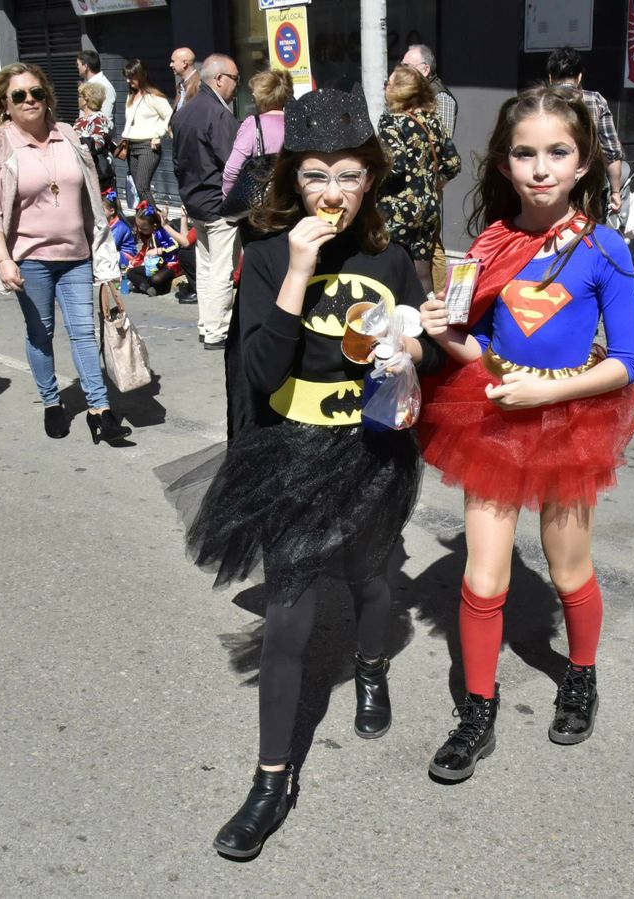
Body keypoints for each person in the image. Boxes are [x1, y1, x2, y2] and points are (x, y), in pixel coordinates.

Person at [173, 88, 442, 859]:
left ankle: (368, 668)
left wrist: (410, 344)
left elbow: (418, 333)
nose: (334, 193)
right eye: (318, 175)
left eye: (350, 176)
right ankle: (270, 779)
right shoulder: (265, 255)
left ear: (371, 179)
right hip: (292, 453)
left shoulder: (390, 256)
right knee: (287, 617)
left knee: (370, 578)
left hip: (372, 450)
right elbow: (258, 371)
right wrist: (295, 265)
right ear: (294, 179)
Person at [417, 84, 634, 782]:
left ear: (583, 163)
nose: (540, 168)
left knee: (569, 568)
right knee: (483, 579)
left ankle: (580, 674)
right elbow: (474, 341)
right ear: (505, 163)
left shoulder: (604, 249)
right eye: (524, 153)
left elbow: (627, 362)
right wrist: (444, 335)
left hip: (570, 420)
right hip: (491, 418)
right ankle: (476, 710)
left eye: (557, 152)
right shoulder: (488, 243)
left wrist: (551, 389)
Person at [0, 62, 130, 447]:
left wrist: (104, 249)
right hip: (29, 259)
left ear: (47, 98)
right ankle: (51, 401)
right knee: (40, 333)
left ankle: (99, 411)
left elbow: (91, 194)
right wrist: (3, 258)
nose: (30, 100)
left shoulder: (69, 135)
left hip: (76, 255)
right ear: (5, 104)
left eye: (37, 93)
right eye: (19, 96)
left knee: (84, 334)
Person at [172, 53, 240, 349]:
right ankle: (216, 331)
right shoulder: (218, 114)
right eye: (235, 79)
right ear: (220, 79)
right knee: (221, 271)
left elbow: (177, 161)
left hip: (196, 201)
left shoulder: (185, 111)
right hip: (217, 205)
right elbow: (233, 162)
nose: (237, 86)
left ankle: (206, 324)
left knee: (207, 267)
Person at [377, 64, 459, 294]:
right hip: (429, 207)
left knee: (392, 269)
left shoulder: (392, 122)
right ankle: (426, 321)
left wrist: (373, 179)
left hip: (398, 209)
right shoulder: (432, 120)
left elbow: (395, 166)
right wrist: (436, 179)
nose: (386, 87)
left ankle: (397, 319)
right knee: (422, 272)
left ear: (400, 90)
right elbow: (453, 163)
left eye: (389, 83)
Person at [546, 47, 623, 216]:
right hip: (589, 186)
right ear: (580, 76)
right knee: (588, 236)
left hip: (548, 183)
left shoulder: (539, 101)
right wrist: (615, 192)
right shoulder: (596, 100)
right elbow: (612, 151)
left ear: (551, 77)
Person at [221, 67, 291, 232]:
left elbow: (232, 169)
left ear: (262, 97)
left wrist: (229, 200)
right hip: (288, 203)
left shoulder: (253, 124)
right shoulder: (295, 123)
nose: (251, 96)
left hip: (259, 209)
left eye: (254, 93)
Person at [117, 59, 172, 206]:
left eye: (132, 77)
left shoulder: (154, 96)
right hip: (131, 146)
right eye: (127, 77)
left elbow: (170, 116)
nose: (129, 81)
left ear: (141, 75)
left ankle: (155, 224)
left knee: (142, 186)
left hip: (148, 147)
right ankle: (146, 222)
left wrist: (158, 134)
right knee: (138, 188)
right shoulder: (131, 96)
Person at [123, 199, 190, 296]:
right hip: (157, 264)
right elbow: (142, 252)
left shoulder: (164, 231)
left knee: (155, 279)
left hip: (172, 263)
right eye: (139, 227)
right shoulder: (150, 234)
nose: (140, 230)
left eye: (143, 228)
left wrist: (159, 251)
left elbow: (177, 245)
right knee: (130, 272)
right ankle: (147, 288)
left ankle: (147, 285)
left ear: (154, 226)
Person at [400, 43, 456, 138]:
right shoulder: (409, 94)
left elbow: (443, 140)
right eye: (401, 66)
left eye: (407, 66)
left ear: (425, 70)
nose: (402, 72)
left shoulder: (441, 96)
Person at [74, 82, 113, 188]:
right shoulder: (80, 120)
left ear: (87, 99)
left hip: (96, 173)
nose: (77, 99)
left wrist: (79, 146)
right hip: (81, 170)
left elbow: (98, 144)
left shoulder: (98, 118)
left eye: (80, 96)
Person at [74, 49, 115, 124]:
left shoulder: (104, 86)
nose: (77, 67)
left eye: (78, 64)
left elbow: (106, 119)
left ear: (85, 66)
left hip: (96, 134)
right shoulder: (87, 84)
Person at [170, 47, 199, 113]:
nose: (170, 65)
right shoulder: (181, 87)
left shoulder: (199, 86)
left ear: (184, 63)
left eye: (173, 61)